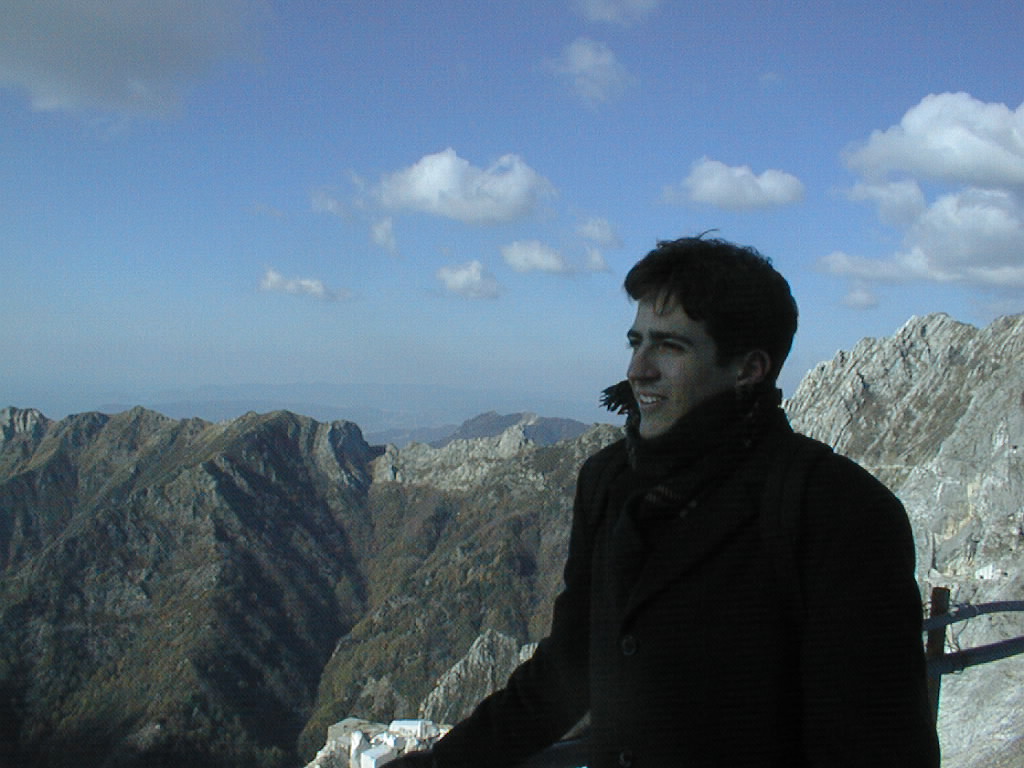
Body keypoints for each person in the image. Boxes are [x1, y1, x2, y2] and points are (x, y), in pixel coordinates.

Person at [392, 236, 940, 767]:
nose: (638, 369)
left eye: (670, 346)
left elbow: (877, 746)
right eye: (637, 342)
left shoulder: (837, 510)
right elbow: (568, 670)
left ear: (749, 368)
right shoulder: (607, 481)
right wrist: (445, 762)